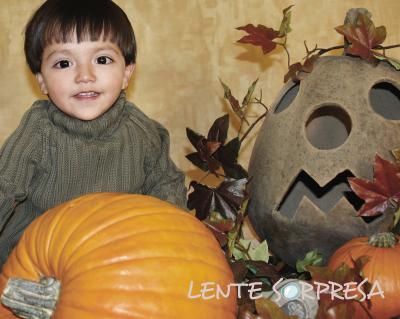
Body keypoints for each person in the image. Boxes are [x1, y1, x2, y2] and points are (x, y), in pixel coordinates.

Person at [0, 0, 187, 268]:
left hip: (115, 253)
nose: (84, 76)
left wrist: (173, 240)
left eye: (102, 59)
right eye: (64, 63)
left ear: (126, 73)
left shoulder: (142, 132)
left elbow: (166, 185)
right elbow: (4, 187)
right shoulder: (37, 132)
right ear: (41, 80)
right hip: (38, 255)